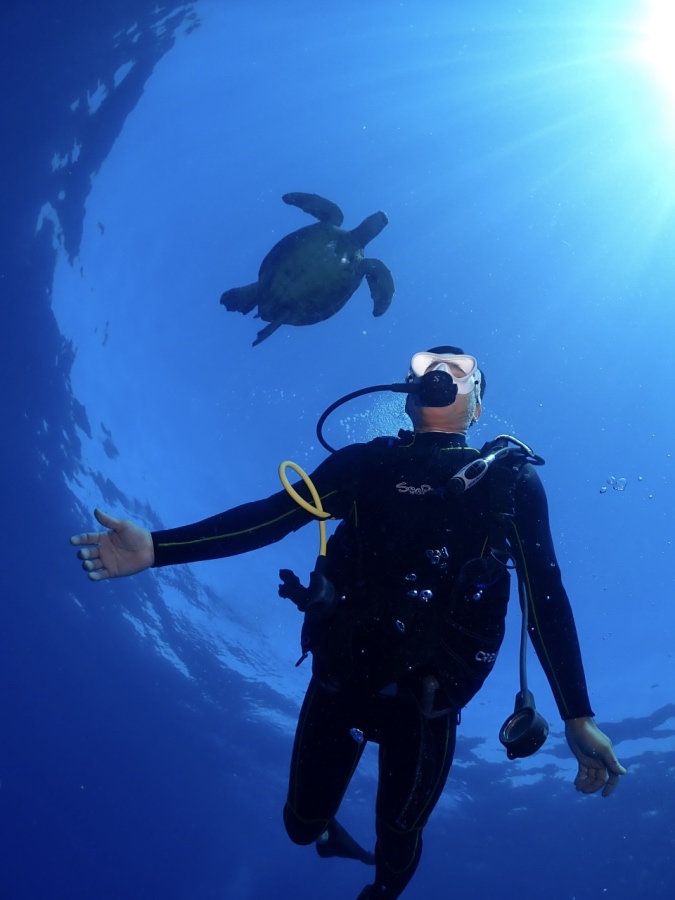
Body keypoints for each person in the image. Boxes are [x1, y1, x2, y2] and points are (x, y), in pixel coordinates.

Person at [70, 346, 626, 899]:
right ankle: (328, 835)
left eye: (458, 369)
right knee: (300, 826)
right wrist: (157, 549)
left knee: (399, 835)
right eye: (422, 366)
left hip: (428, 702)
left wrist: (578, 715)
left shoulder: (509, 484)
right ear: (405, 395)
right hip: (341, 679)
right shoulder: (365, 464)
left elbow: (546, 596)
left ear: (476, 405)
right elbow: (271, 517)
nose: (435, 373)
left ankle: (382, 893)